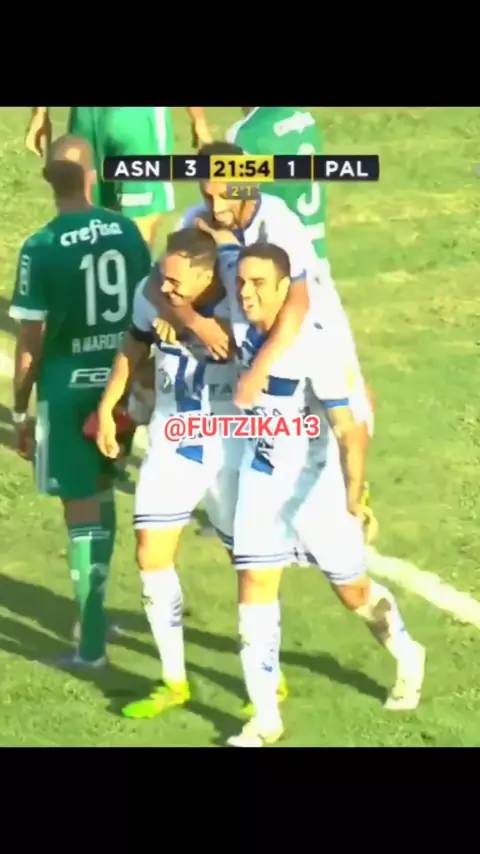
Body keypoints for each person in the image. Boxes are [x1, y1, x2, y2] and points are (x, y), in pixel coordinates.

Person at [216, 243, 425, 747]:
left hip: (315, 489)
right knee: (254, 586)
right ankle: (265, 718)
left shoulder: (314, 346)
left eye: (258, 283)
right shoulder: (240, 326)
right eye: (241, 283)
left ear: (283, 288)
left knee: (353, 593)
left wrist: (355, 496)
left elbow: (349, 430)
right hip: (261, 481)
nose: (245, 293)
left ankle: (407, 652)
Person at [9, 134, 152, 668]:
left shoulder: (41, 246)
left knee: (80, 508)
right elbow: (149, 307)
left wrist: (19, 409)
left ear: (48, 180)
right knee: (103, 489)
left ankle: (90, 644)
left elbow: (30, 344)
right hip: (120, 386)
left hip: (69, 391)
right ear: (92, 176)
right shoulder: (126, 231)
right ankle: (98, 612)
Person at [96, 227, 242, 718]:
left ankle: (265, 678)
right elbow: (131, 350)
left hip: (228, 445)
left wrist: (195, 326)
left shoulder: (240, 300)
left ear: (206, 275)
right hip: (172, 441)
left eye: (177, 282)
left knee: (248, 564)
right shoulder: (153, 295)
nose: (166, 287)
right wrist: (109, 407)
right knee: (150, 555)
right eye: (163, 276)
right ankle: (173, 680)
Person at [144, 141, 312, 408]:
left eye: (224, 195)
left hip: (291, 353)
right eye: (208, 196)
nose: (217, 208)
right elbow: (154, 283)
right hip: (232, 362)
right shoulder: (195, 219)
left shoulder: (276, 222)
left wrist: (259, 369)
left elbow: (299, 302)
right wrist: (194, 322)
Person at [25, 107, 213, 249]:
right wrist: (199, 121)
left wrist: (40, 113)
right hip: (136, 121)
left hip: (85, 120)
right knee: (139, 229)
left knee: (88, 221)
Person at [226, 107, 326, 261]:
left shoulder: (245, 133)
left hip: (277, 257)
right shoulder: (305, 117)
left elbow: (237, 207)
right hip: (317, 253)